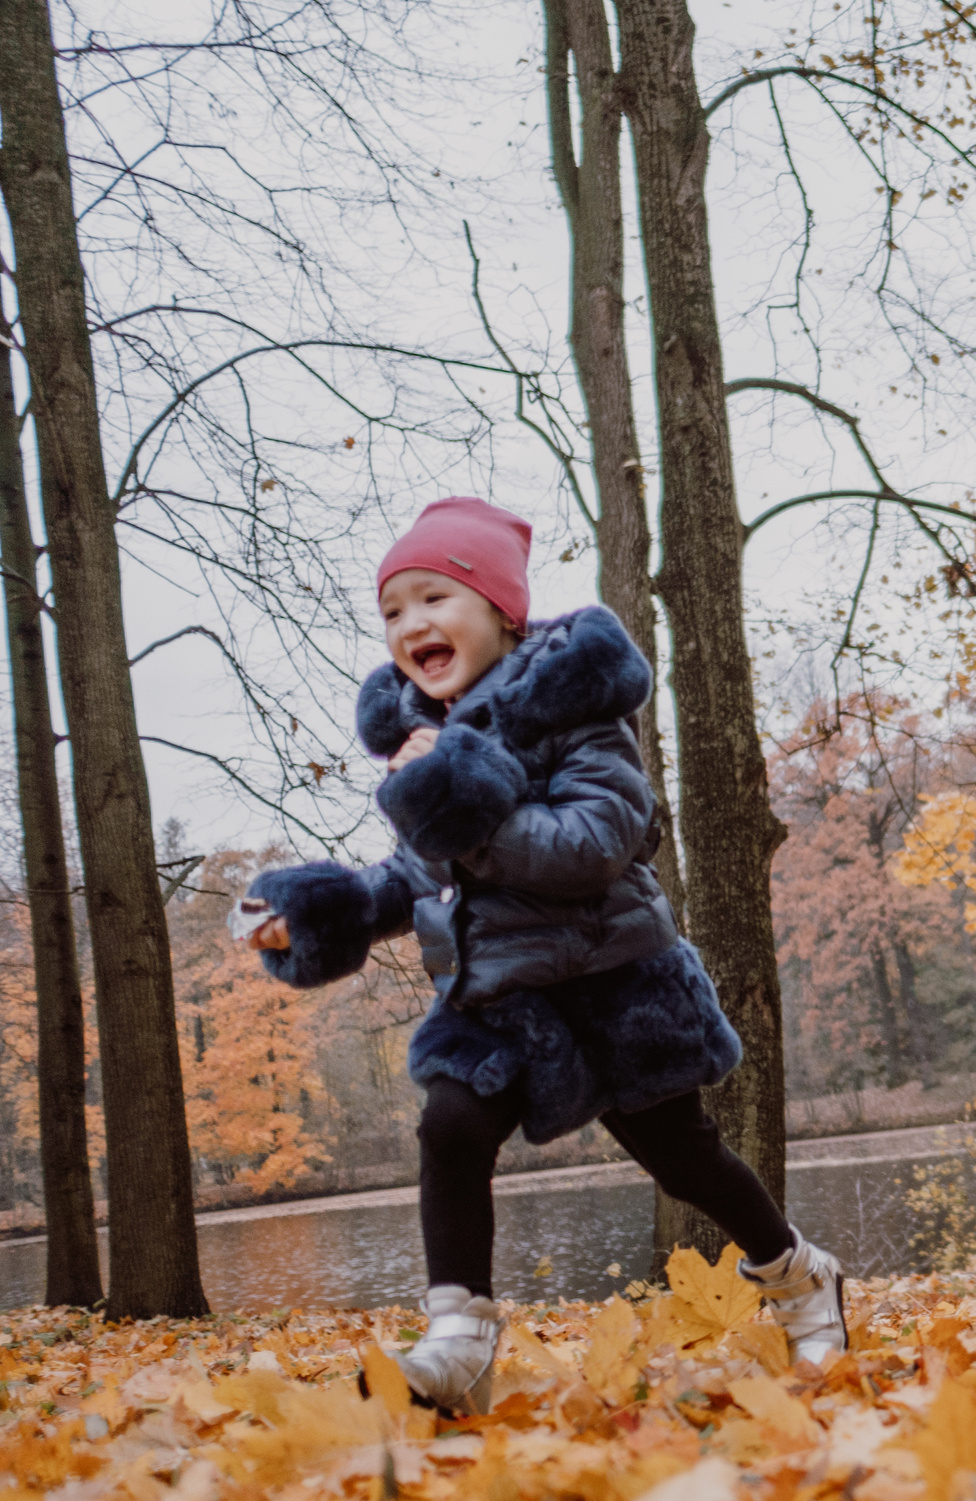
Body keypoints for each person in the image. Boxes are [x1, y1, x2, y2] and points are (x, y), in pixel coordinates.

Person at [240, 497, 847, 1410]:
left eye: (434, 597)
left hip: (614, 990)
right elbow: (414, 874)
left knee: (686, 1162)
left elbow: (595, 842)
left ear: (503, 614)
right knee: (450, 1128)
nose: (410, 623)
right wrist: (321, 913)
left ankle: (800, 1276)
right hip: (502, 1003)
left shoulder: (575, 714)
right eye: (393, 610)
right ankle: (458, 1339)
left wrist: (451, 800)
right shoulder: (425, 742)